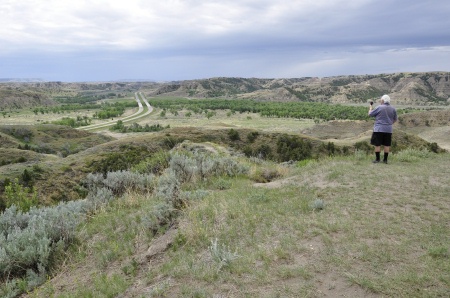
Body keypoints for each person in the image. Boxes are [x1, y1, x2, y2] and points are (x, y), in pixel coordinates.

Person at [368, 94, 398, 164]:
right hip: (388, 129)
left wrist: (370, 107)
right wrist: (389, 124)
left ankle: (377, 159)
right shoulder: (393, 109)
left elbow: (370, 114)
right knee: (386, 145)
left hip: (379, 129)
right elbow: (395, 119)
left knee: (377, 144)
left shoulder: (379, 107)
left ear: (383, 100)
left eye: (381, 100)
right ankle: (385, 160)